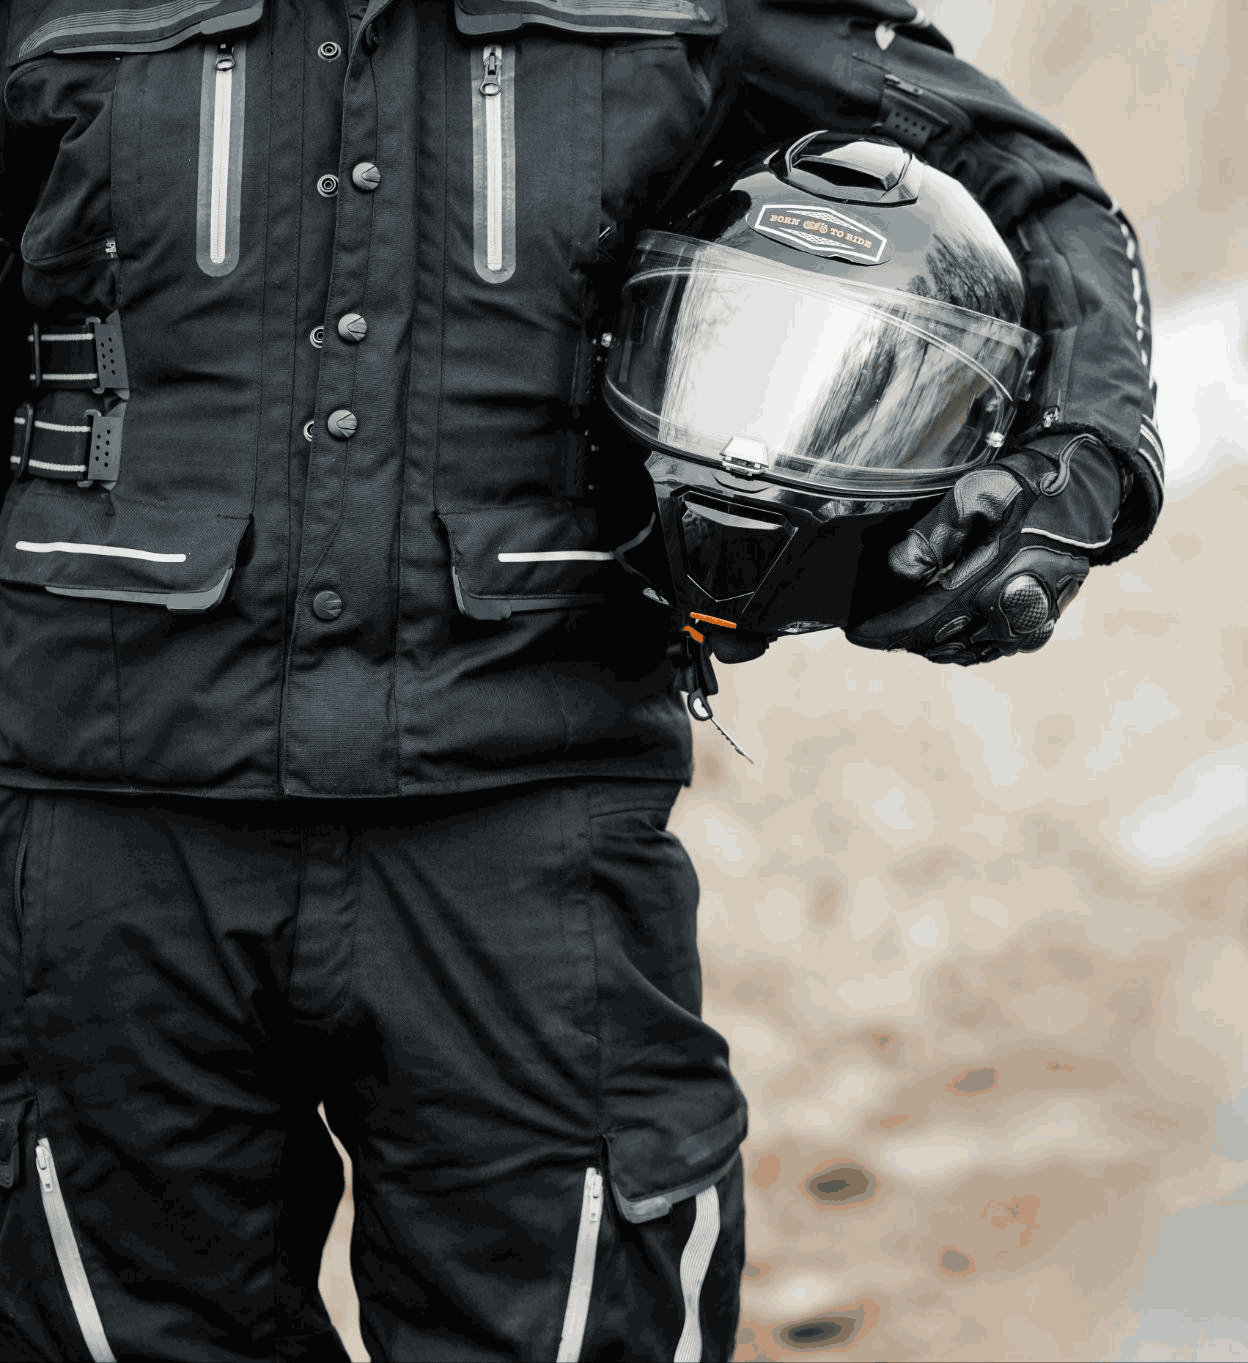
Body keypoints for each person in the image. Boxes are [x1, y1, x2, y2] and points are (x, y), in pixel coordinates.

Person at [0, 1, 1159, 1359]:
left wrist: (1082, 459)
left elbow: (1038, 186)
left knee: (580, 1322)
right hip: (100, 825)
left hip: (531, 823)